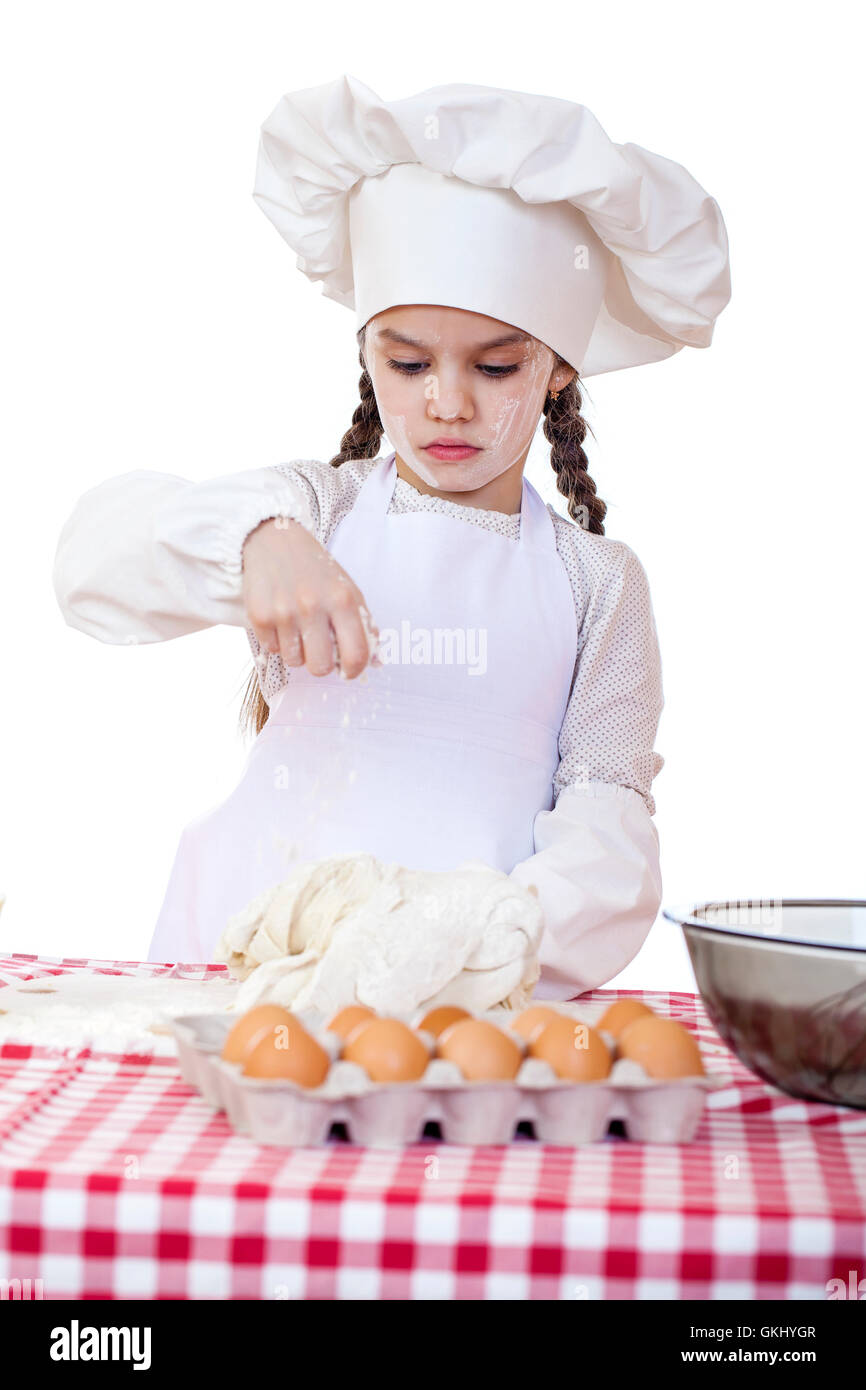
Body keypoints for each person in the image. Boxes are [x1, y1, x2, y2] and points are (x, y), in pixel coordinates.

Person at [52, 75, 731, 996]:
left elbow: (609, 821)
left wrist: (477, 939)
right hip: (245, 983)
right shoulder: (313, 514)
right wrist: (256, 540)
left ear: (560, 368)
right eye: (407, 362)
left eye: (496, 366)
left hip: (461, 999)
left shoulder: (597, 584)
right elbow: (92, 559)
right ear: (368, 353)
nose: (446, 401)